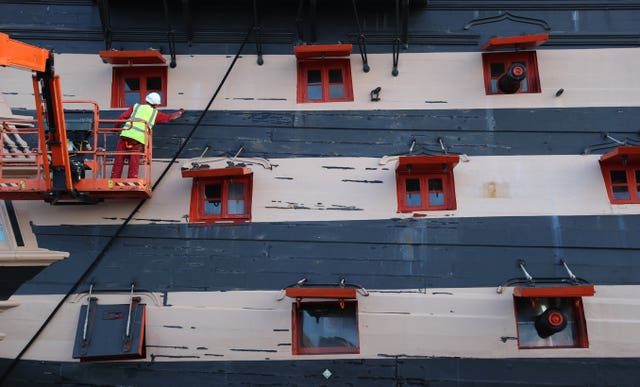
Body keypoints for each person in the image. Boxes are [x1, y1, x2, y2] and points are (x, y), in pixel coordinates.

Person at [110, 92, 184, 179]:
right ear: (156, 104)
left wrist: (115, 129)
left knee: (119, 159)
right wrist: (180, 112)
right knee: (134, 160)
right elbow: (169, 117)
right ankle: (132, 179)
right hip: (137, 140)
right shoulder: (155, 113)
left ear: (146, 100)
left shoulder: (136, 106)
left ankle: (114, 178)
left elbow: (121, 118)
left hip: (125, 135)